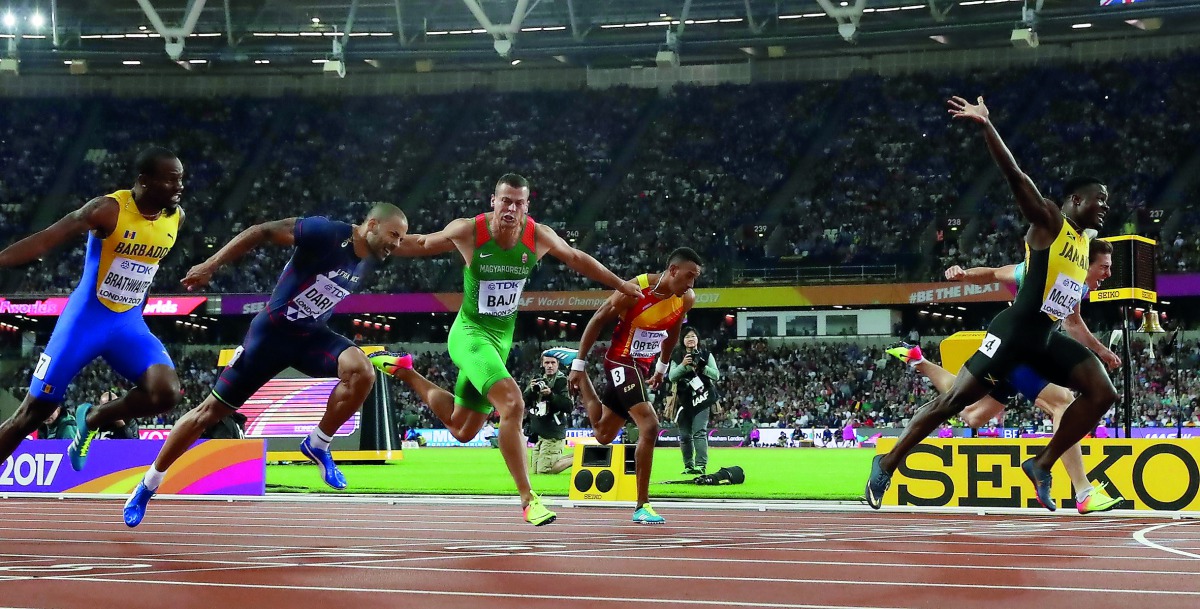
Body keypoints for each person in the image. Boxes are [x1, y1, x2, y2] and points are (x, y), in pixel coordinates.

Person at [866, 95, 1117, 511]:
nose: (1105, 206)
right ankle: (887, 462)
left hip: (1042, 340)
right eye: (1099, 199)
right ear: (1075, 201)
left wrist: (1100, 349)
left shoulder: (1083, 243)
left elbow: (1069, 315)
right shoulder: (1051, 222)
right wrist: (986, 126)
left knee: (1101, 393)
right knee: (955, 404)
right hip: (1012, 333)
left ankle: (1042, 463)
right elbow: (1016, 177)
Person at [371, 173, 642, 526]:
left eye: (518, 202)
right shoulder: (469, 231)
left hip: (500, 342)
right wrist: (373, 240)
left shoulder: (537, 236)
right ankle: (529, 499)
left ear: (527, 206)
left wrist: (620, 283)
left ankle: (404, 370)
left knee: (463, 429)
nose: (511, 208)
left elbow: (576, 257)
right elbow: (421, 243)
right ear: (493, 202)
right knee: (513, 402)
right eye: (505, 201)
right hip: (469, 335)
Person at [122, 204, 411, 527]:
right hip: (270, 338)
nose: (397, 244)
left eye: (402, 239)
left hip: (312, 337)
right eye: (394, 236)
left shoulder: (374, 252)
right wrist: (211, 264)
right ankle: (148, 484)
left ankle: (318, 443)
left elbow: (422, 243)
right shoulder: (326, 233)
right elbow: (262, 230)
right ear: (371, 224)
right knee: (207, 414)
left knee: (362, 370)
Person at [888, 239, 1123, 513]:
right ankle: (1083, 491)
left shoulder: (1080, 286)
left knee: (973, 416)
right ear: (1085, 263)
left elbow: (1072, 323)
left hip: (1035, 351)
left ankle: (920, 361)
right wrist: (964, 275)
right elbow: (993, 273)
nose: (1107, 274)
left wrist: (1101, 350)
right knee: (1063, 402)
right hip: (1014, 349)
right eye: (1104, 267)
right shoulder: (1041, 271)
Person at [0, 147, 185, 471]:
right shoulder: (108, 209)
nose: (180, 187)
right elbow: (48, 238)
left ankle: (95, 417)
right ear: (144, 181)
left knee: (166, 392)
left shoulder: (176, 218)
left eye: (181, 180)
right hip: (84, 322)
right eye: (171, 180)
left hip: (128, 325)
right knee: (33, 413)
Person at [547, 247, 703, 525]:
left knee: (604, 433)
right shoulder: (635, 290)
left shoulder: (686, 298)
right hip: (620, 360)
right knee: (650, 426)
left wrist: (662, 367)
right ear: (673, 270)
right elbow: (598, 319)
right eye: (689, 276)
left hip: (641, 367)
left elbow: (673, 331)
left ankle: (582, 381)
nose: (692, 284)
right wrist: (580, 362)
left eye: (697, 278)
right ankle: (642, 505)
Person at [667, 326, 719, 475]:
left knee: (699, 432)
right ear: (682, 340)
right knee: (684, 435)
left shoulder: (706, 355)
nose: (690, 339)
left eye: (693, 336)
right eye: (687, 337)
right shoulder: (677, 356)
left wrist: (703, 368)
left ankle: (701, 466)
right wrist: (683, 365)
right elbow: (671, 377)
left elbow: (716, 375)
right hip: (683, 400)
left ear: (698, 339)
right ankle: (688, 466)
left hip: (702, 398)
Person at [525, 352, 574, 474]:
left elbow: (569, 406)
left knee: (545, 471)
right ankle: (577, 455)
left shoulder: (562, 382)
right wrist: (531, 390)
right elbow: (524, 401)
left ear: (558, 364)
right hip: (540, 433)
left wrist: (551, 395)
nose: (550, 366)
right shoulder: (538, 380)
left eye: (553, 363)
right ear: (542, 364)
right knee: (536, 472)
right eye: (547, 362)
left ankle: (578, 459)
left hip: (553, 432)